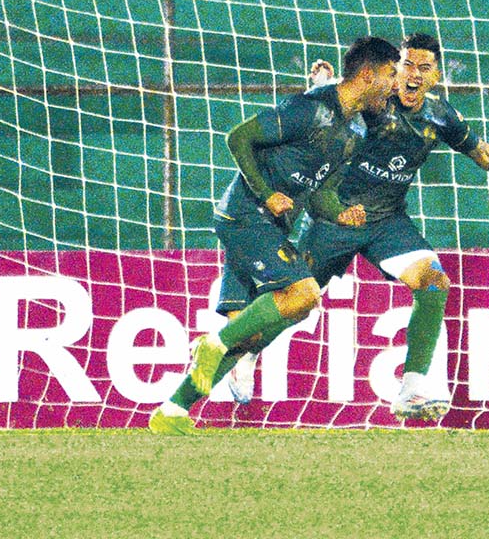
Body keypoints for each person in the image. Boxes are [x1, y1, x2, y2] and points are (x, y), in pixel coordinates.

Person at [225, 33, 489, 420]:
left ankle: (412, 389)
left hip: (387, 221)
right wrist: (320, 86)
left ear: (436, 75)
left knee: (433, 282)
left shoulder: (439, 115)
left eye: (423, 68)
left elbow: (483, 153)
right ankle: (244, 353)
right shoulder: (374, 103)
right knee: (294, 305)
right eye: (406, 65)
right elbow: (328, 112)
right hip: (336, 216)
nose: (412, 75)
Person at [147, 36, 399, 434]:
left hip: (270, 225)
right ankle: (211, 345)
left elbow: (320, 195)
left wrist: (341, 212)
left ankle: (173, 411)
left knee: (250, 330)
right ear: (368, 75)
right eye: (390, 75)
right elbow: (239, 137)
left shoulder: (354, 131)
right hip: (245, 215)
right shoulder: (309, 109)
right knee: (303, 295)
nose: (395, 85)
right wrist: (266, 193)